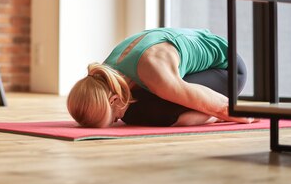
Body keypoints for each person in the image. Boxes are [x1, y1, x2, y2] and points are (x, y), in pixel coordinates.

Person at [67, 27, 258, 127]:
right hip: (169, 69)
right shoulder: (107, 74)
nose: (118, 121)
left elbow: (223, 106)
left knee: (161, 115)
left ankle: (213, 118)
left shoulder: (154, 73)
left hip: (228, 69)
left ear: (114, 98)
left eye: (113, 119)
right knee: (135, 114)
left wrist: (241, 114)